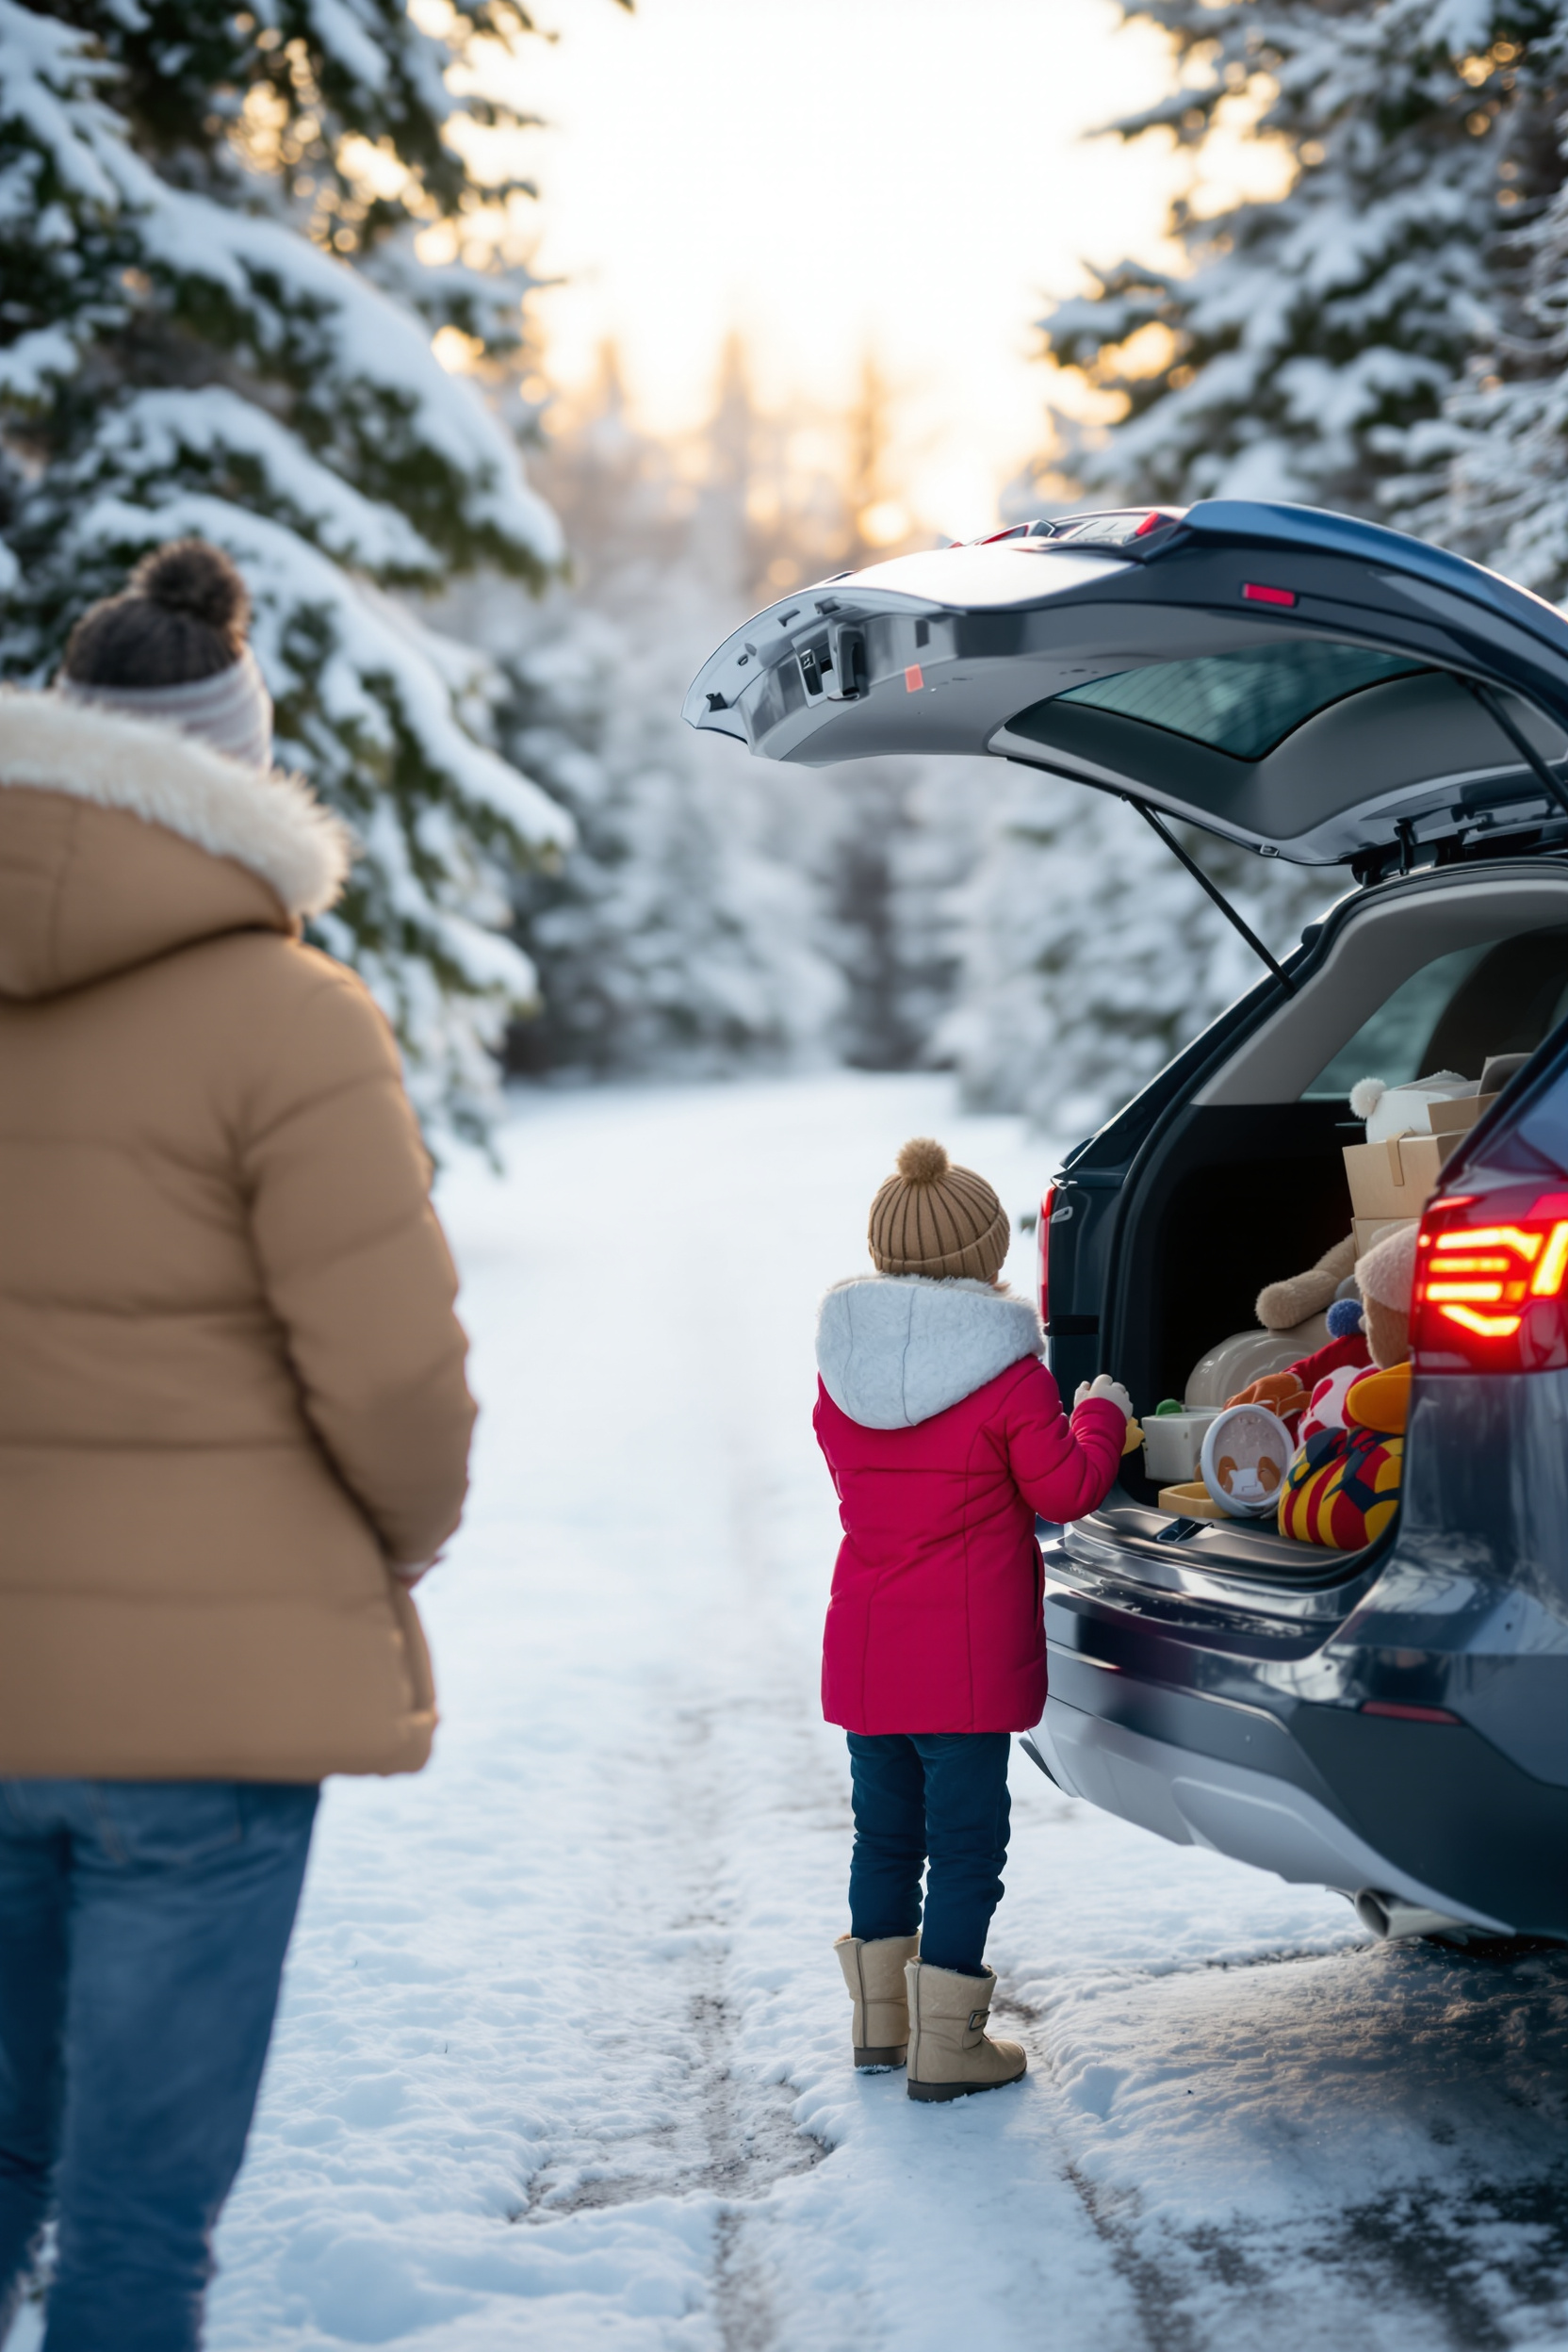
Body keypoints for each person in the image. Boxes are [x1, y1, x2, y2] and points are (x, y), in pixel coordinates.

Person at [0, 541, 476, 2346]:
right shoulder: (291, 1019)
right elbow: (395, 1382)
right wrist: (396, 1536)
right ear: (238, 766)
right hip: (199, 1727)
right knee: (133, 2226)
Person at [813, 1137, 1131, 2103]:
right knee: (961, 1848)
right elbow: (1066, 1487)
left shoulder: (841, 1377)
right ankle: (948, 2049)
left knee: (882, 1840)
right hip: (959, 1664)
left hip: (867, 1649)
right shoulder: (1007, 1376)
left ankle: (879, 2029)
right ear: (987, 1253)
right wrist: (1102, 1415)